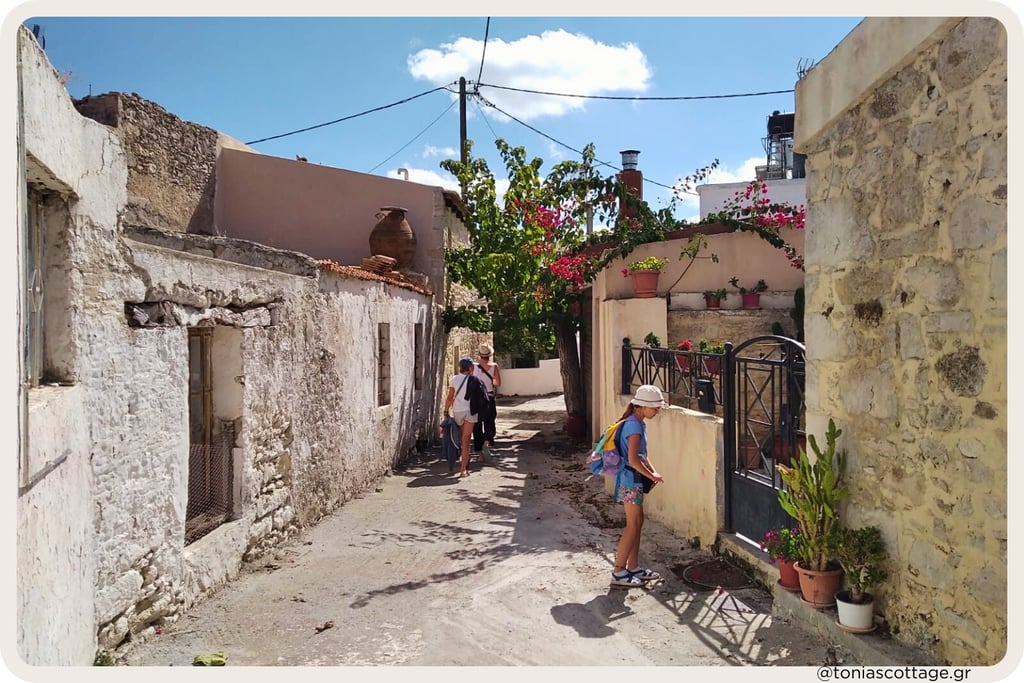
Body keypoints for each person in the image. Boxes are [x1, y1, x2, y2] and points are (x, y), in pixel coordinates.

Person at [610, 385, 667, 588]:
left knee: (638, 522)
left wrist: (653, 472)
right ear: (642, 406)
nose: (657, 411)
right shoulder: (634, 426)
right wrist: (651, 475)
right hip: (630, 480)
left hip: (632, 479)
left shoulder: (637, 422)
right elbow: (634, 460)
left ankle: (632, 567)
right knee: (632, 525)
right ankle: (618, 571)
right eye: (655, 408)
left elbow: (643, 456)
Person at [443, 357, 480, 478]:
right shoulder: (474, 380)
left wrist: (446, 410)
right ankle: (463, 469)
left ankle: (460, 457)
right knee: (466, 440)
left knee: (460, 437)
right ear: (470, 368)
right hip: (471, 411)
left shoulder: (454, 379)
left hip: (458, 411)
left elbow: (450, 397)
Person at [472, 344, 501, 460]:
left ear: (479, 354)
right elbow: (498, 383)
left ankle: (479, 455)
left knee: (477, 425)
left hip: (476, 399)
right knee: (489, 421)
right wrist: (489, 381)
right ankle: (487, 442)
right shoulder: (494, 366)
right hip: (488, 397)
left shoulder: (473, 366)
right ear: (490, 355)